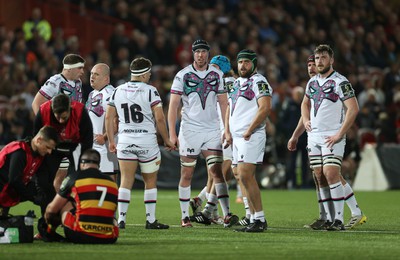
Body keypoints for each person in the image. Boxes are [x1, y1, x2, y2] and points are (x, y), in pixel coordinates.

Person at [289, 54, 367, 230]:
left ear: (330, 60)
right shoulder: (312, 84)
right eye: (309, 64)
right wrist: (296, 134)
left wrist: (340, 132)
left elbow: (352, 108)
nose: (311, 67)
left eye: (314, 63)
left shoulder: (339, 81)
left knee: (331, 174)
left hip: (331, 135)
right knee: (320, 176)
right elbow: (307, 109)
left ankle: (343, 216)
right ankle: (329, 217)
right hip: (314, 137)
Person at [168, 39, 238, 228]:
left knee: (217, 172)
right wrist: (171, 133)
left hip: (212, 130)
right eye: (197, 51)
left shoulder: (217, 74)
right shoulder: (182, 75)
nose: (200, 55)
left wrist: (226, 129)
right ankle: (184, 217)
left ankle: (227, 214)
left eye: (203, 51)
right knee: (187, 173)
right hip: (189, 130)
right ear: (193, 53)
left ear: (208, 53)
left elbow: (224, 103)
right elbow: (174, 104)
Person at [105, 57, 175, 230]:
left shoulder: (118, 90)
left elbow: (109, 117)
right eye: (149, 73)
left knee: (125, 181)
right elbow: (159, 118)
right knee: (150, 181)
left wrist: (111, 141)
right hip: (146, 142)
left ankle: (120, 219)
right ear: (144, 74)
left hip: (125, 140)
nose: (150, 75)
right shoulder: (151, 91)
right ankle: (150, 220)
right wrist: (167, 140)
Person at [224, 49, 272, 232]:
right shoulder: (236, 83)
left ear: (254, 64)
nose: (242, 65)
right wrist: (227, 131)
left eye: (246, 62)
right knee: (239, 176)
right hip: (236, 137)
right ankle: (252, 217)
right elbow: (230, 107)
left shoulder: (259, 81)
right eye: (240, 62)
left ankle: (260, 219)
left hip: (251, 135)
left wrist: (249, 129)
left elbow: (265, 107)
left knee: (245, 174)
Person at [31, 53, 85, 195]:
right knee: (55, 177)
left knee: (64, 176)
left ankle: (59, 208)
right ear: (69, 69)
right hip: (56, 137)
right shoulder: (56, 81)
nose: (82, 71)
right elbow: (36, 103)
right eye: (80, 68)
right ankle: (55, 209)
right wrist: (45, 129)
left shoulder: (78, 84)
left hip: (71, 136)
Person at [33, 93, 93, 215]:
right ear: (52, 110)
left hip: (72, 148)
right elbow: (36, 140)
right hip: (51, 150)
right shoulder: (43, 111)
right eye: (57, 117)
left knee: (75, 182)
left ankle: (76, 214)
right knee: (45, 183)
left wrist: (83, 164)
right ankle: (47, 218)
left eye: (64, 117)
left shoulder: (80, 112)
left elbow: (87, 141)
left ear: (70, 109)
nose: (60, 121)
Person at [43, 148, 119, 244]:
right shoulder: (112, 183)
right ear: (98, 165)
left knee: (65, 204)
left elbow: (51, 209)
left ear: (82, 163)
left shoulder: (75, 178)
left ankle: (50, 233)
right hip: (109, 238)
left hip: (80, 235)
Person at [0, 126, 58, 218]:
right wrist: (34, 198)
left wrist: (40, 193)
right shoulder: (19, 152)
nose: (49, 152)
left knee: (47, 192)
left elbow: (41, 178)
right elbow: (14, 180)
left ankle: (46, 226)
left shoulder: (38, 154)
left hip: (8, 190)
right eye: (47, 147)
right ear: (38, 140)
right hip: (4, 188)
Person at [85, 63, 118, 179]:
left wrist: (103, 137)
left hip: (106, 147)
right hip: (92, 146)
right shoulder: (92, 93)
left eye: (96, 74)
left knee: (109, 182)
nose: (92, 77)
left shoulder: (111, 94)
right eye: (91, 74)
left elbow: (117, 122)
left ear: (106, 78)